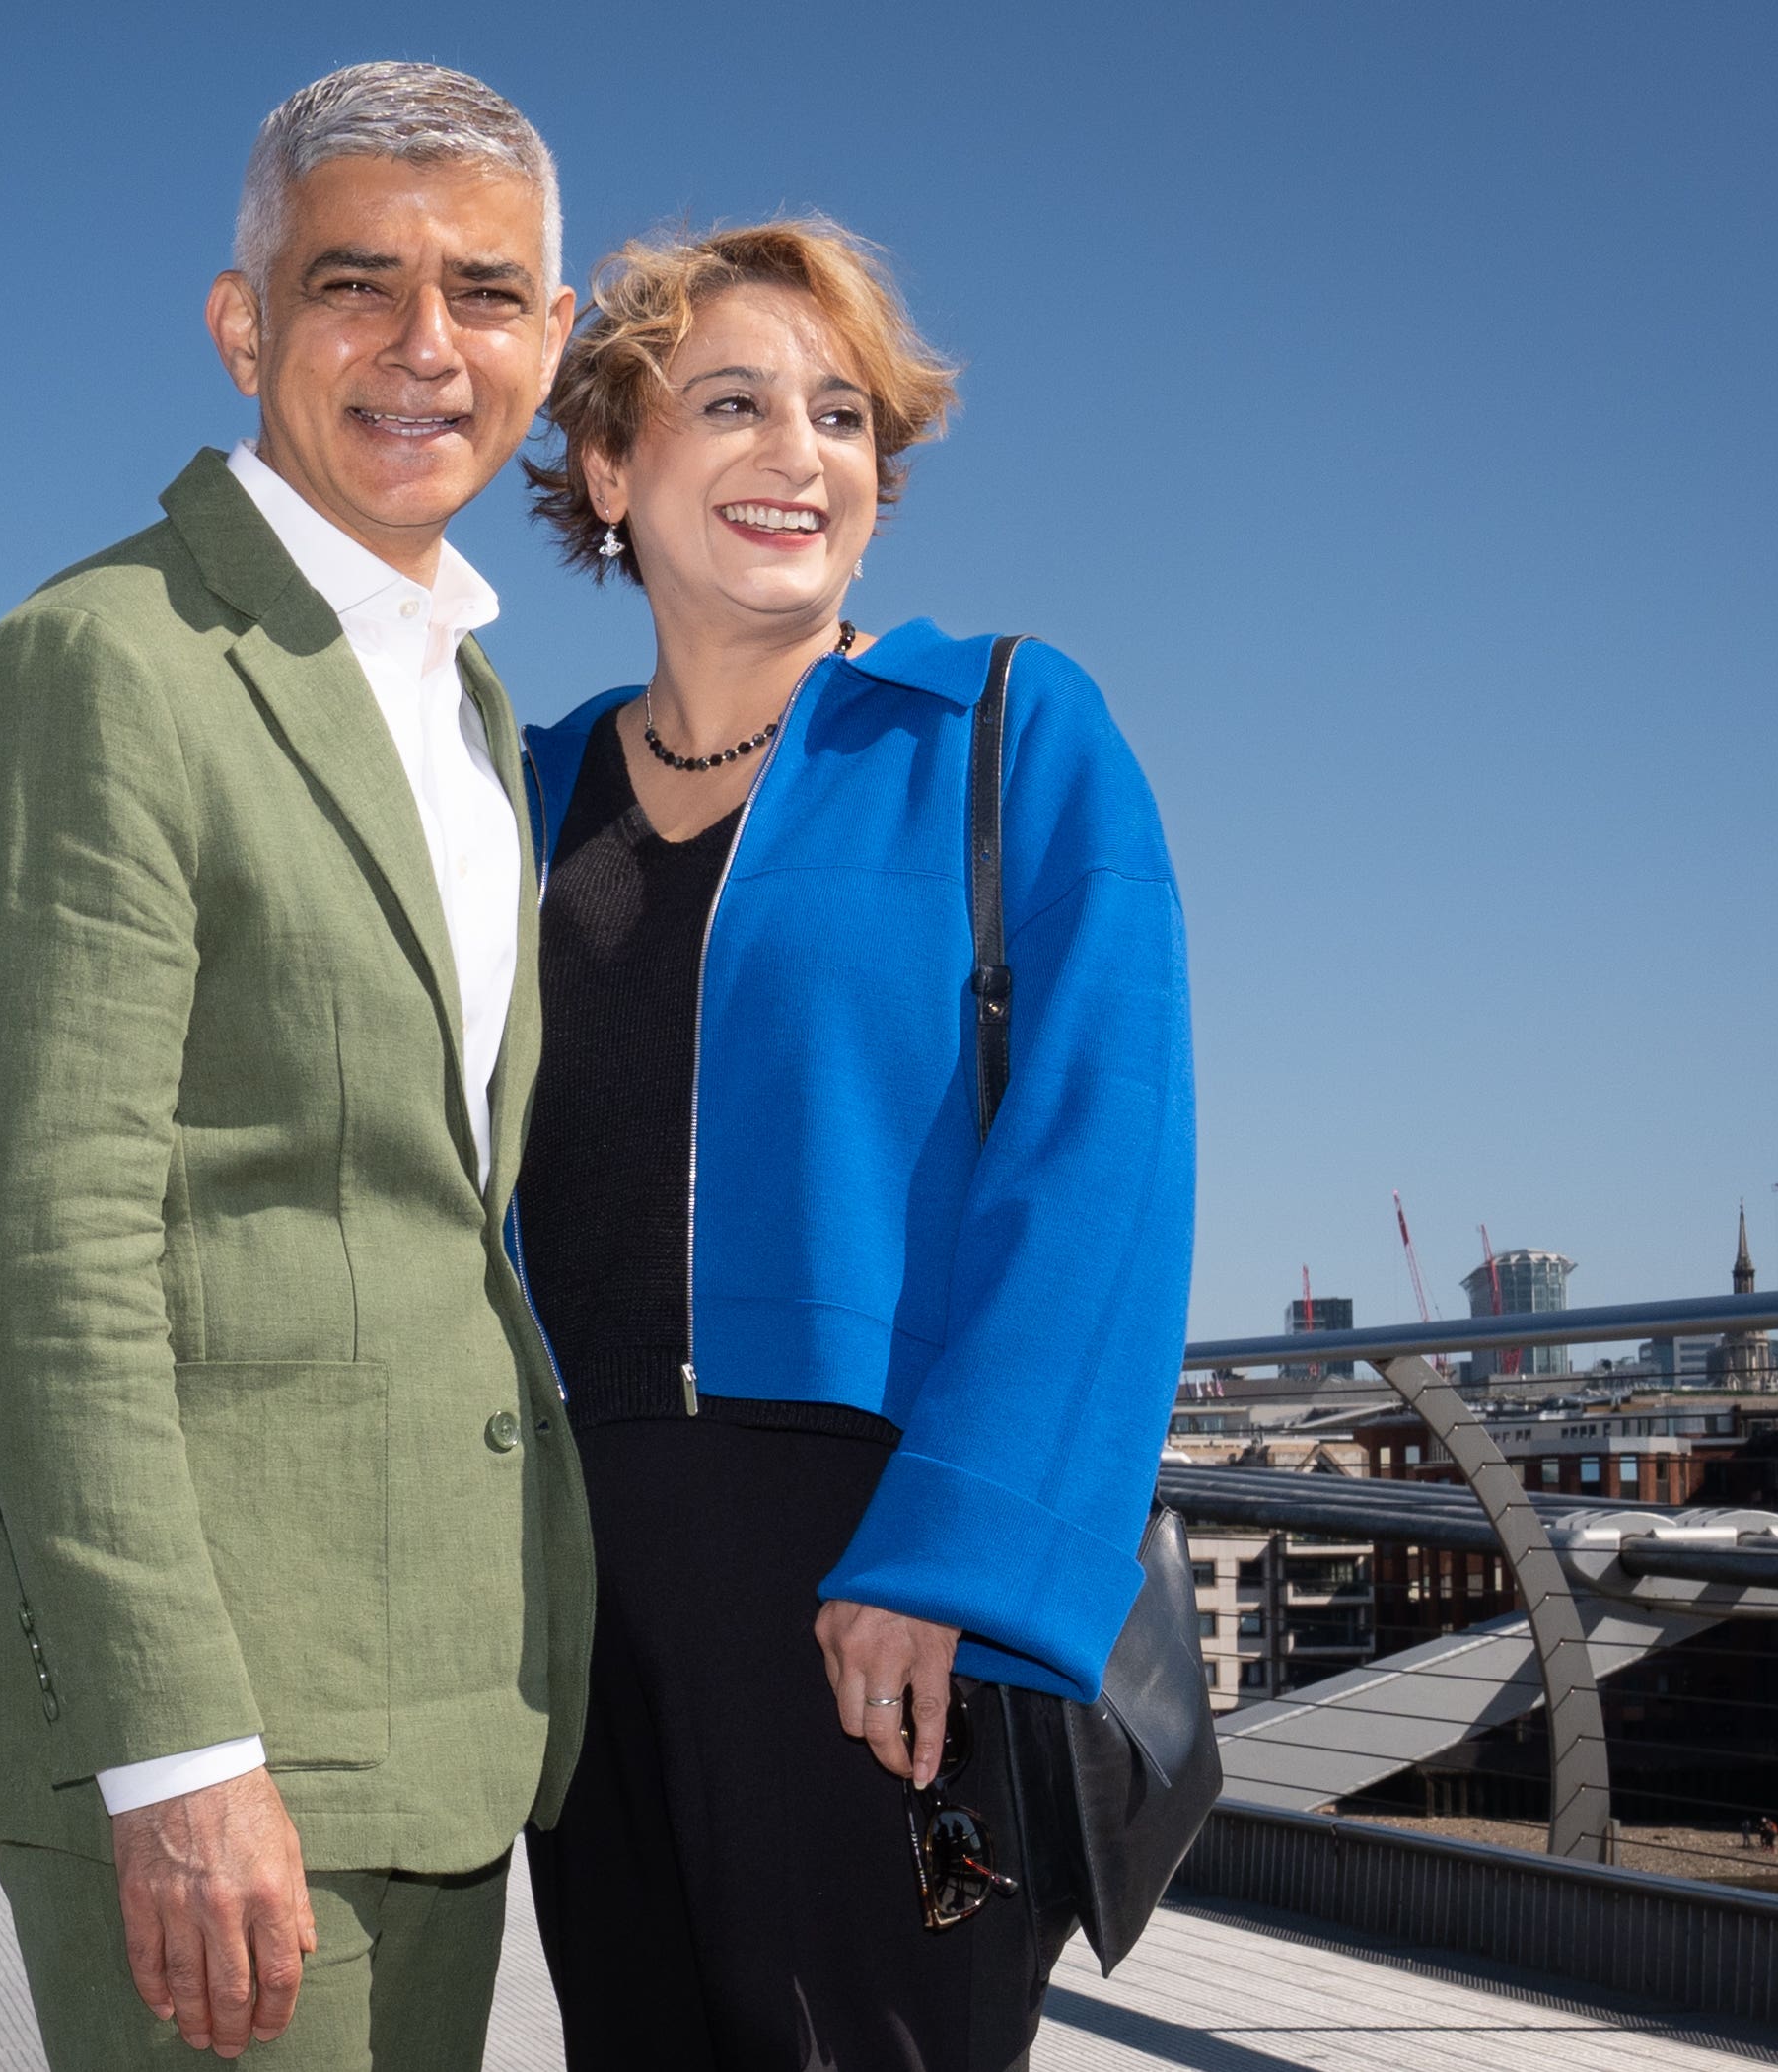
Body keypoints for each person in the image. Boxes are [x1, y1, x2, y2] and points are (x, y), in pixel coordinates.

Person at [0, 61, 590, 2072]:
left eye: (485, 293)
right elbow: (53, 1254)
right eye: (353, 283)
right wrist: (179, 1753)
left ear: (551, 339)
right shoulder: (101, 665)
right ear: (243, 325)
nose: (422, 347)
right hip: (230, 1735)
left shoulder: (467, 704)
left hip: (445, 1708)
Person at [509, 221, 1193, 2071]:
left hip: (876, 1569)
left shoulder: (1007, 730)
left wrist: (951, 1557)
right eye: (728, 403)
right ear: (605, 465)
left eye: (841, 417)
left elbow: (1102, 1172)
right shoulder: (516, 788)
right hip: (578, 1576)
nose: (798, 452)